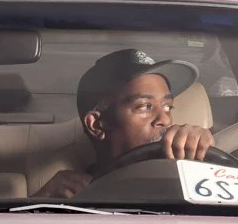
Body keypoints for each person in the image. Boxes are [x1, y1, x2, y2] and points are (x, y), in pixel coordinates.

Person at [35, 49, 216, 199]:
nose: (165, 120)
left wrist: (205, 160)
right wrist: (39, 203)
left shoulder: (190, 176)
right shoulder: (71, 195)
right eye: (145, 106)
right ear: (97, 125)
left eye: (168, 107)